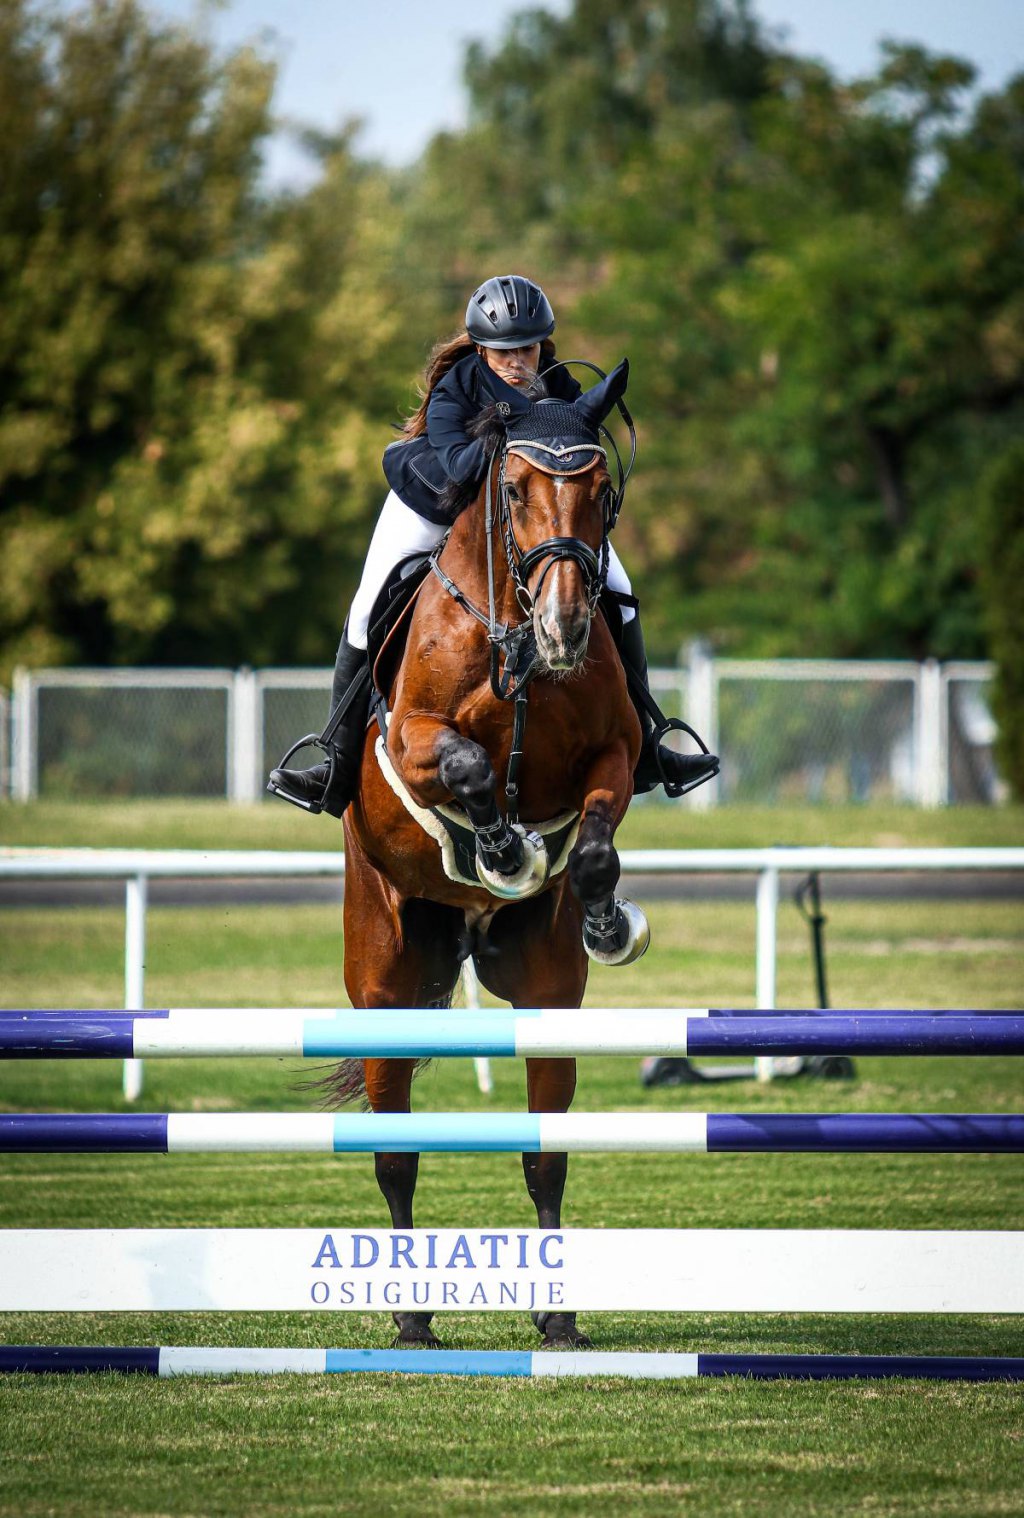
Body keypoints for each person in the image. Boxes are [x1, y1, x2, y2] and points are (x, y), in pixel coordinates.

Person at [268, 274, 717, 817]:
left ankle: (649, 744)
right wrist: (509, 425)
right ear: (482, 347)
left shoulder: (556, 384)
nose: (515, 360)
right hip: (436, 499)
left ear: (541, 345)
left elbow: (575, 444)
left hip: (527, 517)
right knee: (367, 606)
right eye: (503, 350)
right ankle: (335, 762)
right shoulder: (457, 386)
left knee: (619, 588)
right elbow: (459, 468)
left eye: (525, 347)